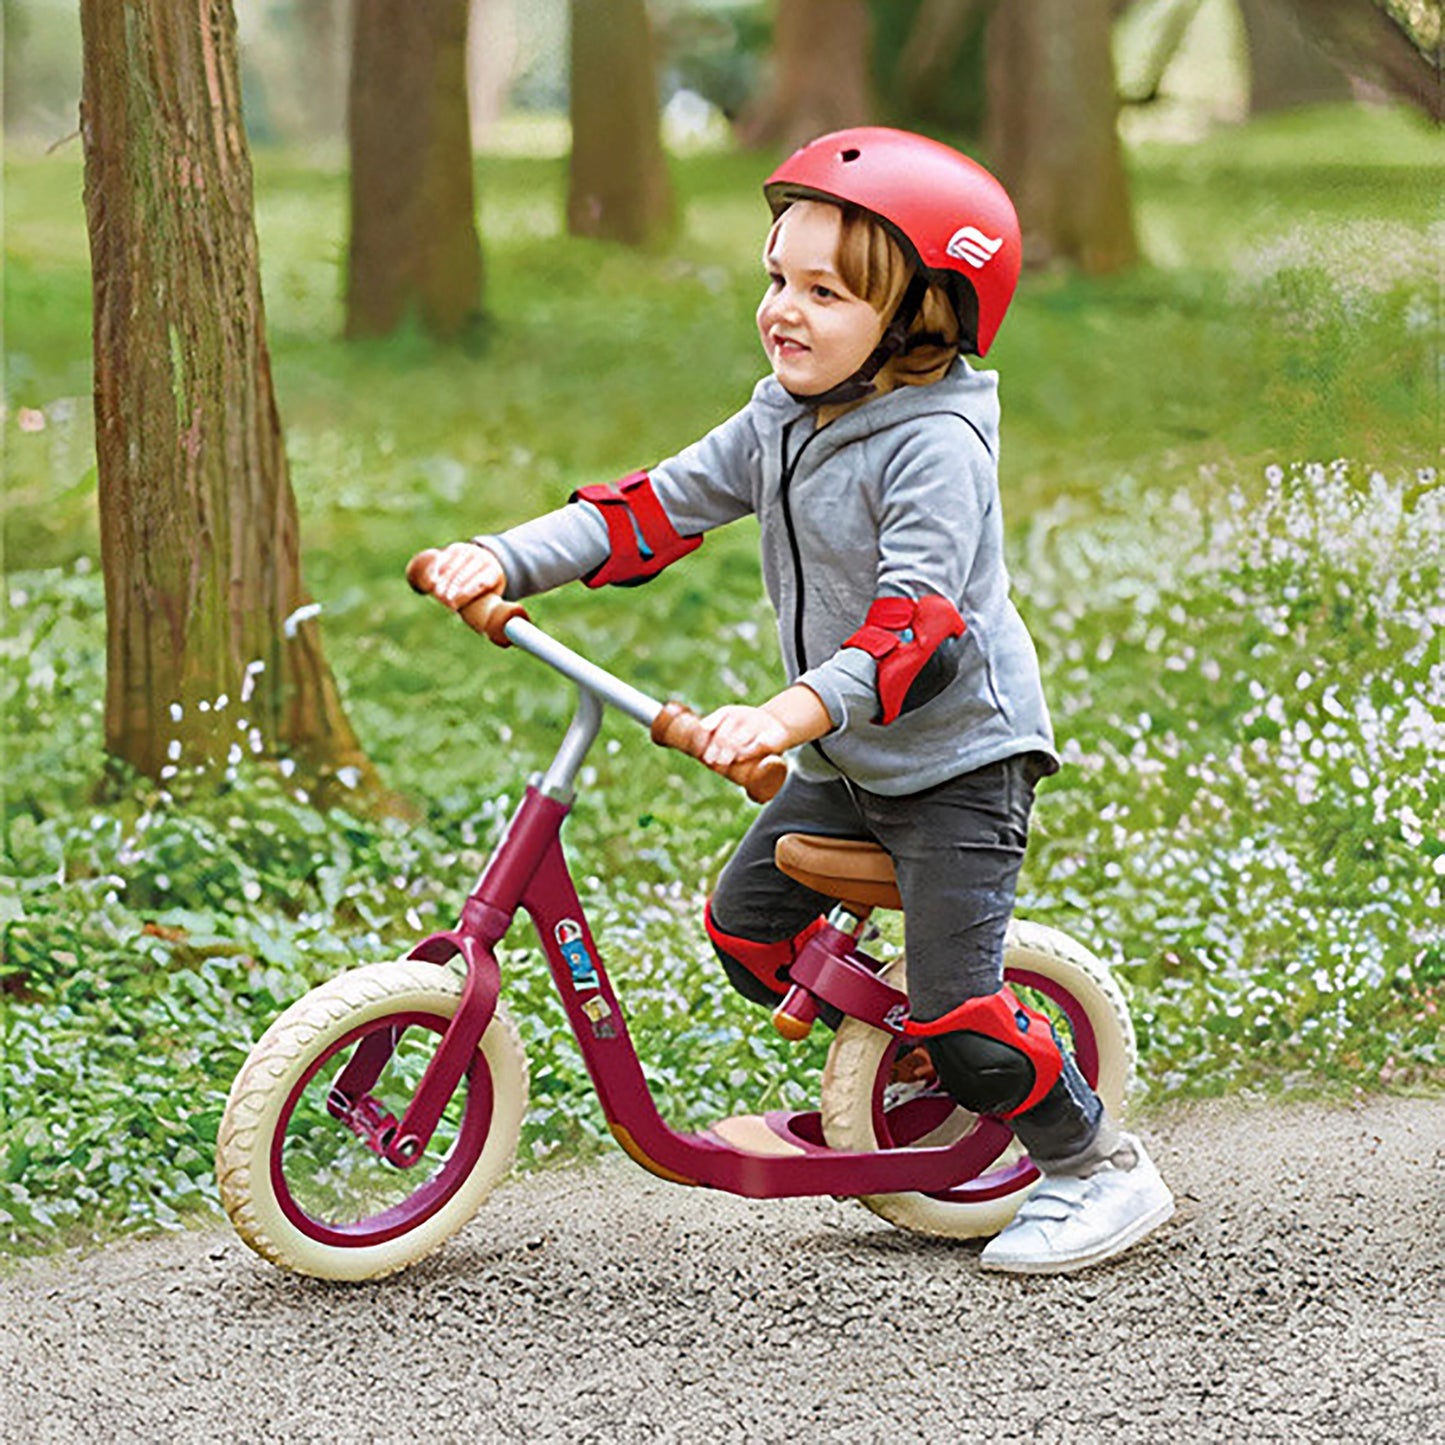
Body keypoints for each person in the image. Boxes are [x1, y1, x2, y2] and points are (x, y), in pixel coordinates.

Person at [421, 127, 1174, 1273]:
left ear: (922, 315)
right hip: (848, 758)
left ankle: (1091, 1162)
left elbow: (913, 633)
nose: (784, 309)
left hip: (953, 767)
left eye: (824, 291)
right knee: (744, 927)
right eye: (778, 277)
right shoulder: (782, 414)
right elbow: (650, 507)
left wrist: (782, 716)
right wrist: (502, 556)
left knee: (962, 1013)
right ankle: (912, 1065)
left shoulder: (933, 446)